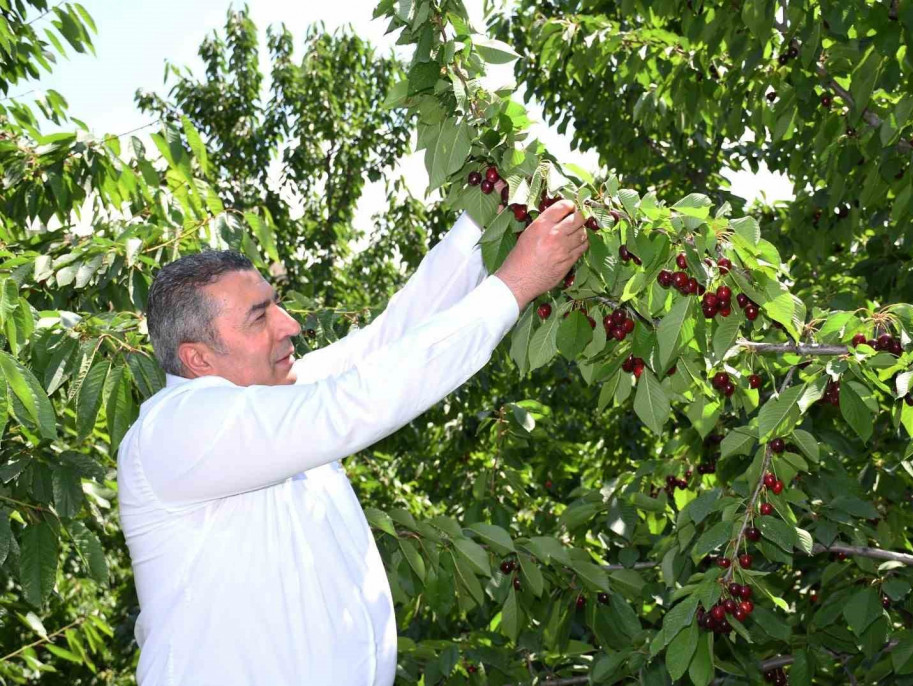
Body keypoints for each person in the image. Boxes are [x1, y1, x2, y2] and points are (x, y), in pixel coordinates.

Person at [116, 199, 589, 686]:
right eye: (260, 318)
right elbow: (353, 403)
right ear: (198, 359)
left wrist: (482, 215)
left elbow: (390, 340)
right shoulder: (176, 430)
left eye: (276, 304)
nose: (290, 325)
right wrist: (515, 286)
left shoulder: (278, 397)